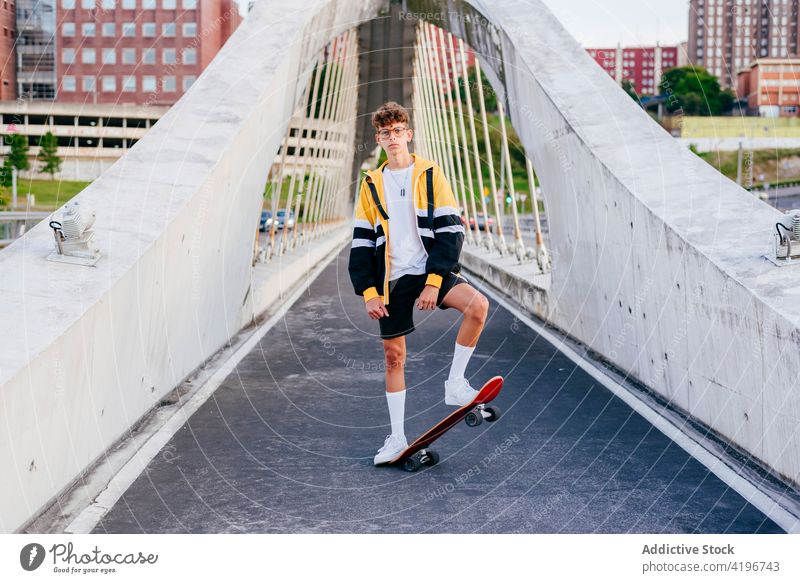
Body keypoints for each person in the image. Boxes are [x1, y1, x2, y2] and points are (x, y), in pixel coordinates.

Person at [348, 101, 490, 466]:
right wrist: (368, 293)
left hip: (428, 268)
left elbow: (451, 229)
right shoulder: (371, 183)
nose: (392, 138)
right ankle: (396, 438)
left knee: (478, 306)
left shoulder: (429, 174)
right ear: (378, 139)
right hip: (390, 280)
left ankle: (456, 384)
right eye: (385, 133)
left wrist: (434, 280)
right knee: (393, 357)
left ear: (408, 134)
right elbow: (363, 242)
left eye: (398, 131)